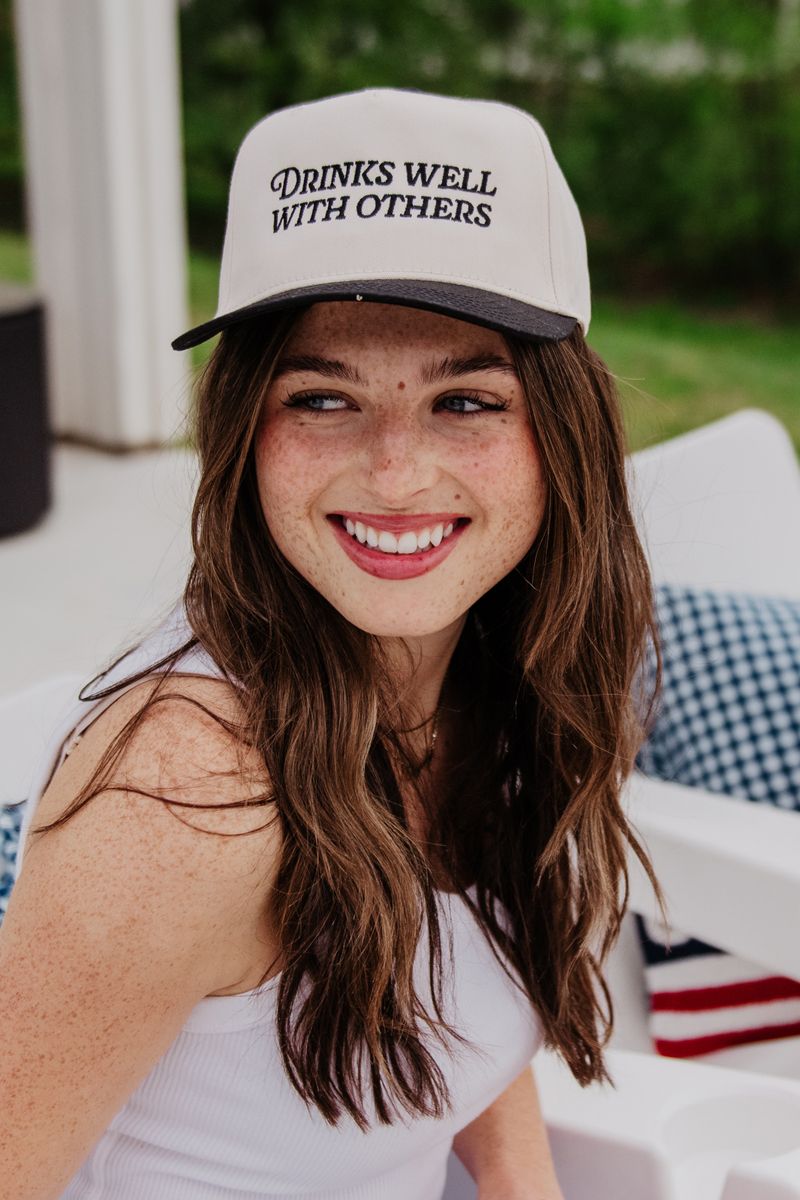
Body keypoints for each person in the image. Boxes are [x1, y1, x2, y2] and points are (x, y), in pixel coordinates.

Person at [0, 88, 664, 1200]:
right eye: (321, 398)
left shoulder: (483, 683)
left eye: (464, 401)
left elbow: (456, 1008)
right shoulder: (188, 797)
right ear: (242, 432)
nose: (394, 472)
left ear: (564, 434)